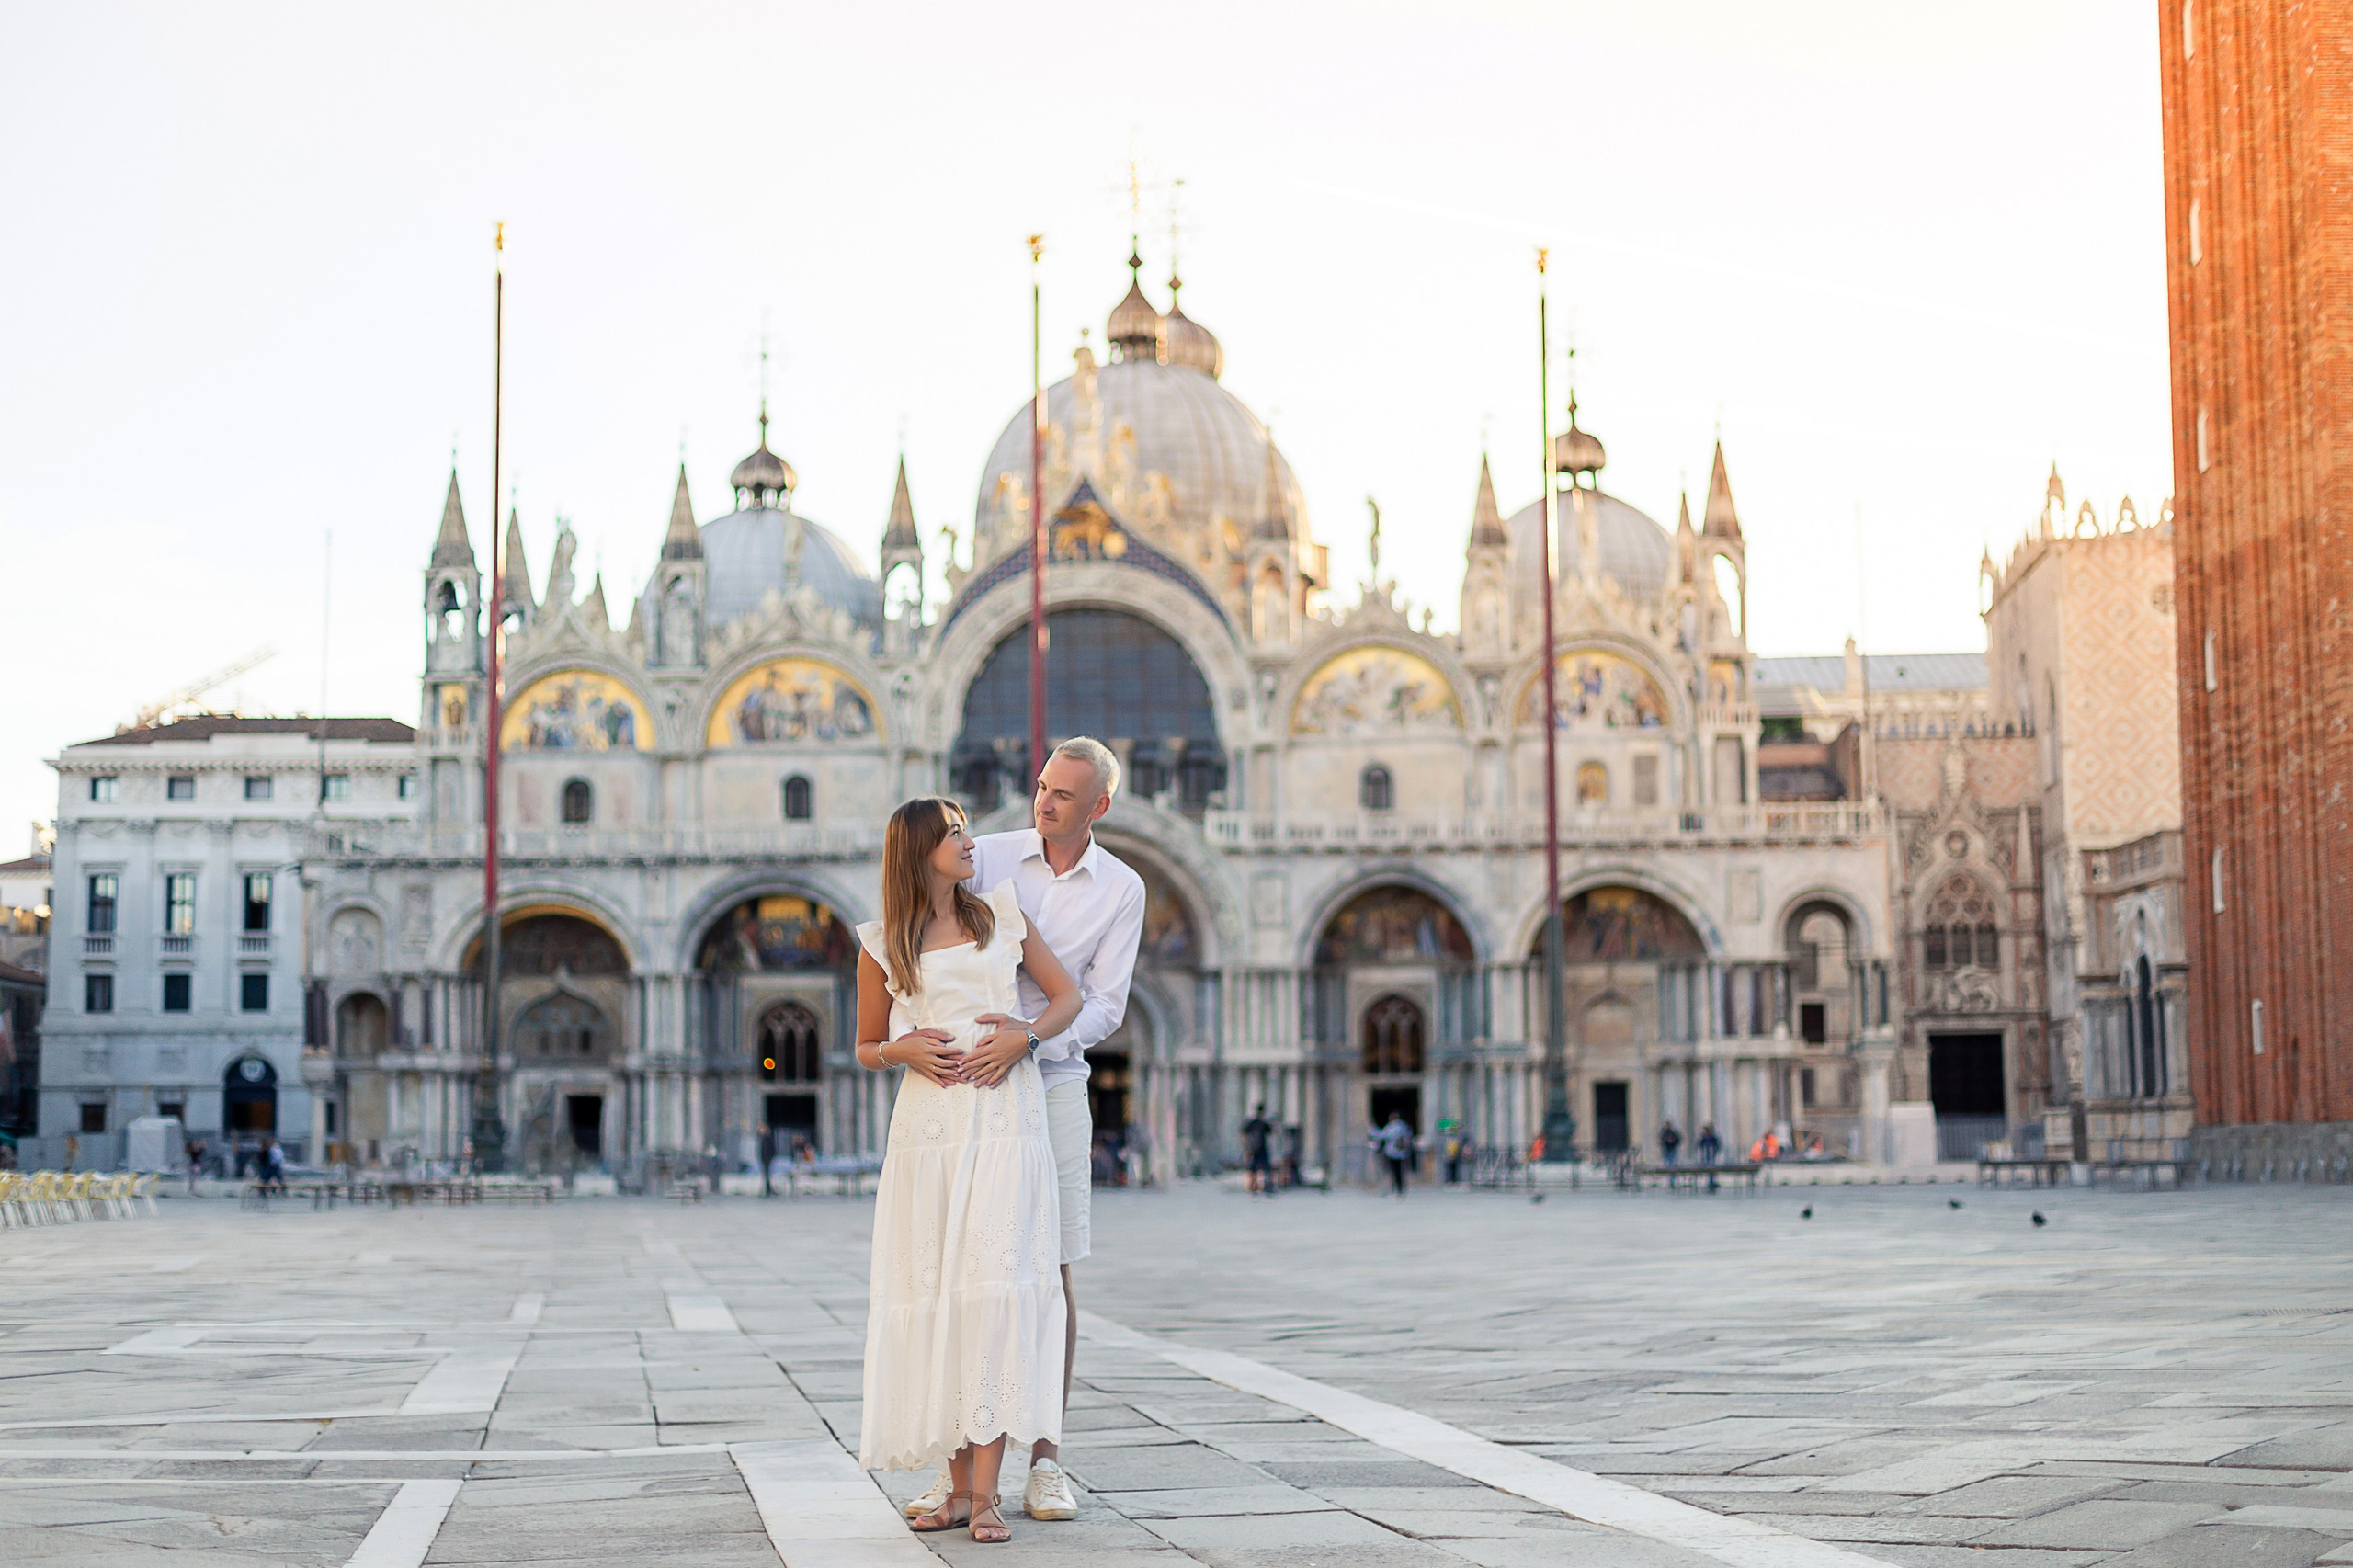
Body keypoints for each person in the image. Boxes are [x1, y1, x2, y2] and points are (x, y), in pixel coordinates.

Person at [900, 737, 1144, 1529]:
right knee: (955, 1272)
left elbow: (1103, 1002)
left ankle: (1045, 1460)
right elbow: (920, 923)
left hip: (1056, 1081)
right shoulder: (990, 856)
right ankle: (958, 1465)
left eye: (1063, 795)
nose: (1044, 802)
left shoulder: (1123, 889)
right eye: (1042, 787)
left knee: (1051, 1267)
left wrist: (1031, 1039)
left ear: (1099, 806)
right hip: (964, 1090)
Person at [856, 796, 1084, 1545]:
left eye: (966, 832)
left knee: (992, 1288)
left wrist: (1023, 1036)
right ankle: (955, 1490)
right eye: (954, 834)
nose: (969, 841)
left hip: (1005, 1120)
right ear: (918, 850)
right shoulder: (883, 943)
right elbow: (864, 1046)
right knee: (938, 1292)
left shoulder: (1001, 915)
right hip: (929, 1129)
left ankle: (986, 1494)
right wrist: (902, 1050)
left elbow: (1065, 997)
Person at [1372, 1112, 1415, 1197]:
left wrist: (1373, 1129)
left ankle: (1396, 1189)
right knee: (1401, 1171)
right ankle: (1401, 1188)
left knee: (1393, 1171)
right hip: (1403, 1153)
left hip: (1392, 1153)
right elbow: (1409, 1136)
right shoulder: (1404, 1126)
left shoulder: (1391, 1127)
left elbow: (1382, 1136)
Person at [1242, 1104, 1276, 1196]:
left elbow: (1244, 1134)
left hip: (1254, 1149)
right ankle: (1267, 1185)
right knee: (1266, 1168)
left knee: (1254, 1169)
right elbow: (1271, 1133)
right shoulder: (1263, 1124)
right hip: (1261, 1149)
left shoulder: (1252, 1123)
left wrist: (1247, 1147)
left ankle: (1253, 1185)